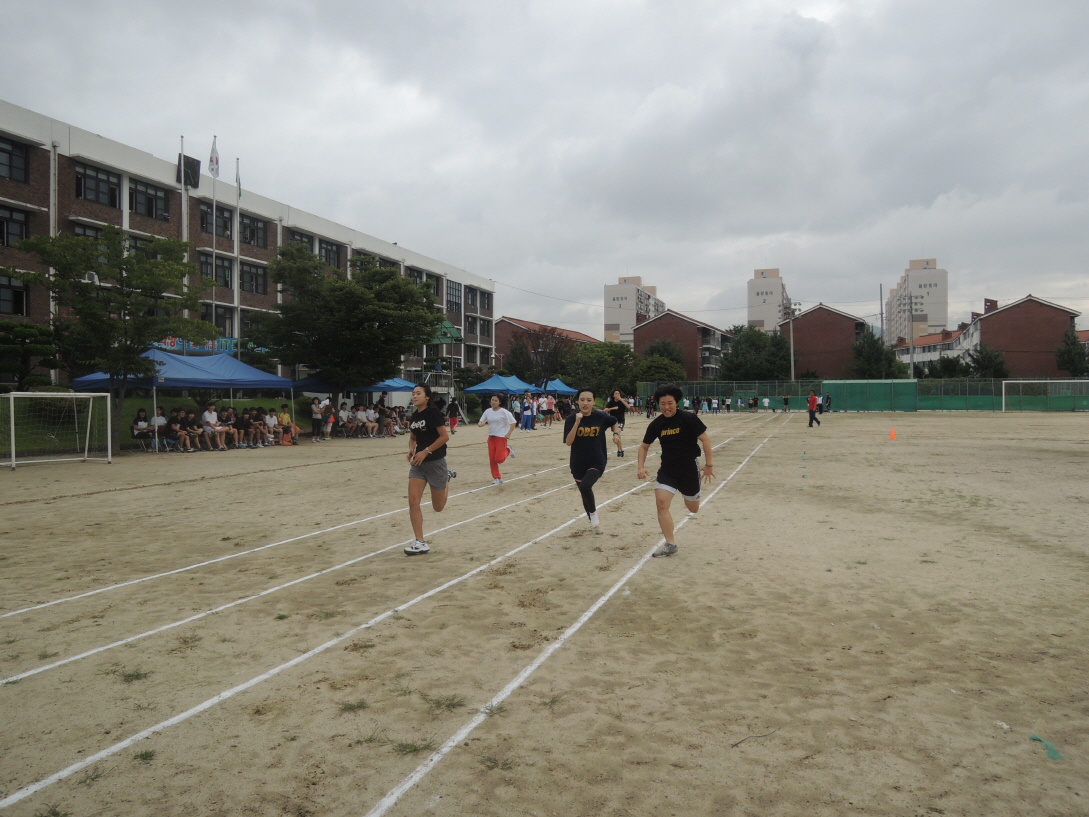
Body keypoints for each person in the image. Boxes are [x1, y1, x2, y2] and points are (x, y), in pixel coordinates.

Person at [636, 385, 714, 558]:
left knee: (693, 508)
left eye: (669, 403)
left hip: (689, 469)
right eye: (662, 404)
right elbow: (643, 447)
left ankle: (694, 493)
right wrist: (640, 467)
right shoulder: (657, 424)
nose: (666, 407)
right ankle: (670, 544)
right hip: (668, 470)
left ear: (676, 403)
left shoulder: (688, 418)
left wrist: (709, 465)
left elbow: (705, 439)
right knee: (661, 503)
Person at [404, 383, 454, 555]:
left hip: (436, 462)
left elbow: (444, 436)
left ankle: (446, 477)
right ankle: (420, 541)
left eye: (418, 393)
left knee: (438, 507)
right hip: (418, 465)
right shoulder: (414, 417)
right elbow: (412, 437)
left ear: (427, 397)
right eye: (413, 393)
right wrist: (411, 448)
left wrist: (426, 451)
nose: (414, 396)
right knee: (413, 502)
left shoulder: (433, 413)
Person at [564, 388, 620, 534]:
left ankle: (594, 516)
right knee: (584, 493)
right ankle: (594, 524)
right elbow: (568, 442)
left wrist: (615, 434)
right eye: (582, 400)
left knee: (585, 486)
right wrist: (577, 422)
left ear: (594, 402)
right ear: (577, 401)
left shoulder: (601, 417)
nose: (585, 403)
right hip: (577, 463)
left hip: (597, 460)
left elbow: (614, 421)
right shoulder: (571, 419)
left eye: (589, 400)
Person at [478, 394, 517, 484]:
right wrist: (481, 424)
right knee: (492, 459)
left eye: (496, 400)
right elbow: (481, 421)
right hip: (491, 437)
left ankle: (508, 450)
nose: (493, 402)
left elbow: (513, 422)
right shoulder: (488, 411)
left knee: (499, 459)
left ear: (500, 402)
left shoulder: (504, 412)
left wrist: (508, 434)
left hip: (501, 437)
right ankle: (497, 477)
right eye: (492, 400)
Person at [603, 389, 628, 457]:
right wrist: (612, 408)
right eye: (616, 393)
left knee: (616, 434)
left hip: (621, 421)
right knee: (617, 436)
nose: (617, 395)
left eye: (618, 393)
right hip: (613, 421)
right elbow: (604, 410)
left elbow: (628, 407)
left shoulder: (622, 402)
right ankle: (620, 450)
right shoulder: (611, 402)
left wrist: (621, 400)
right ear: (613, 395)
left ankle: (620, 451)